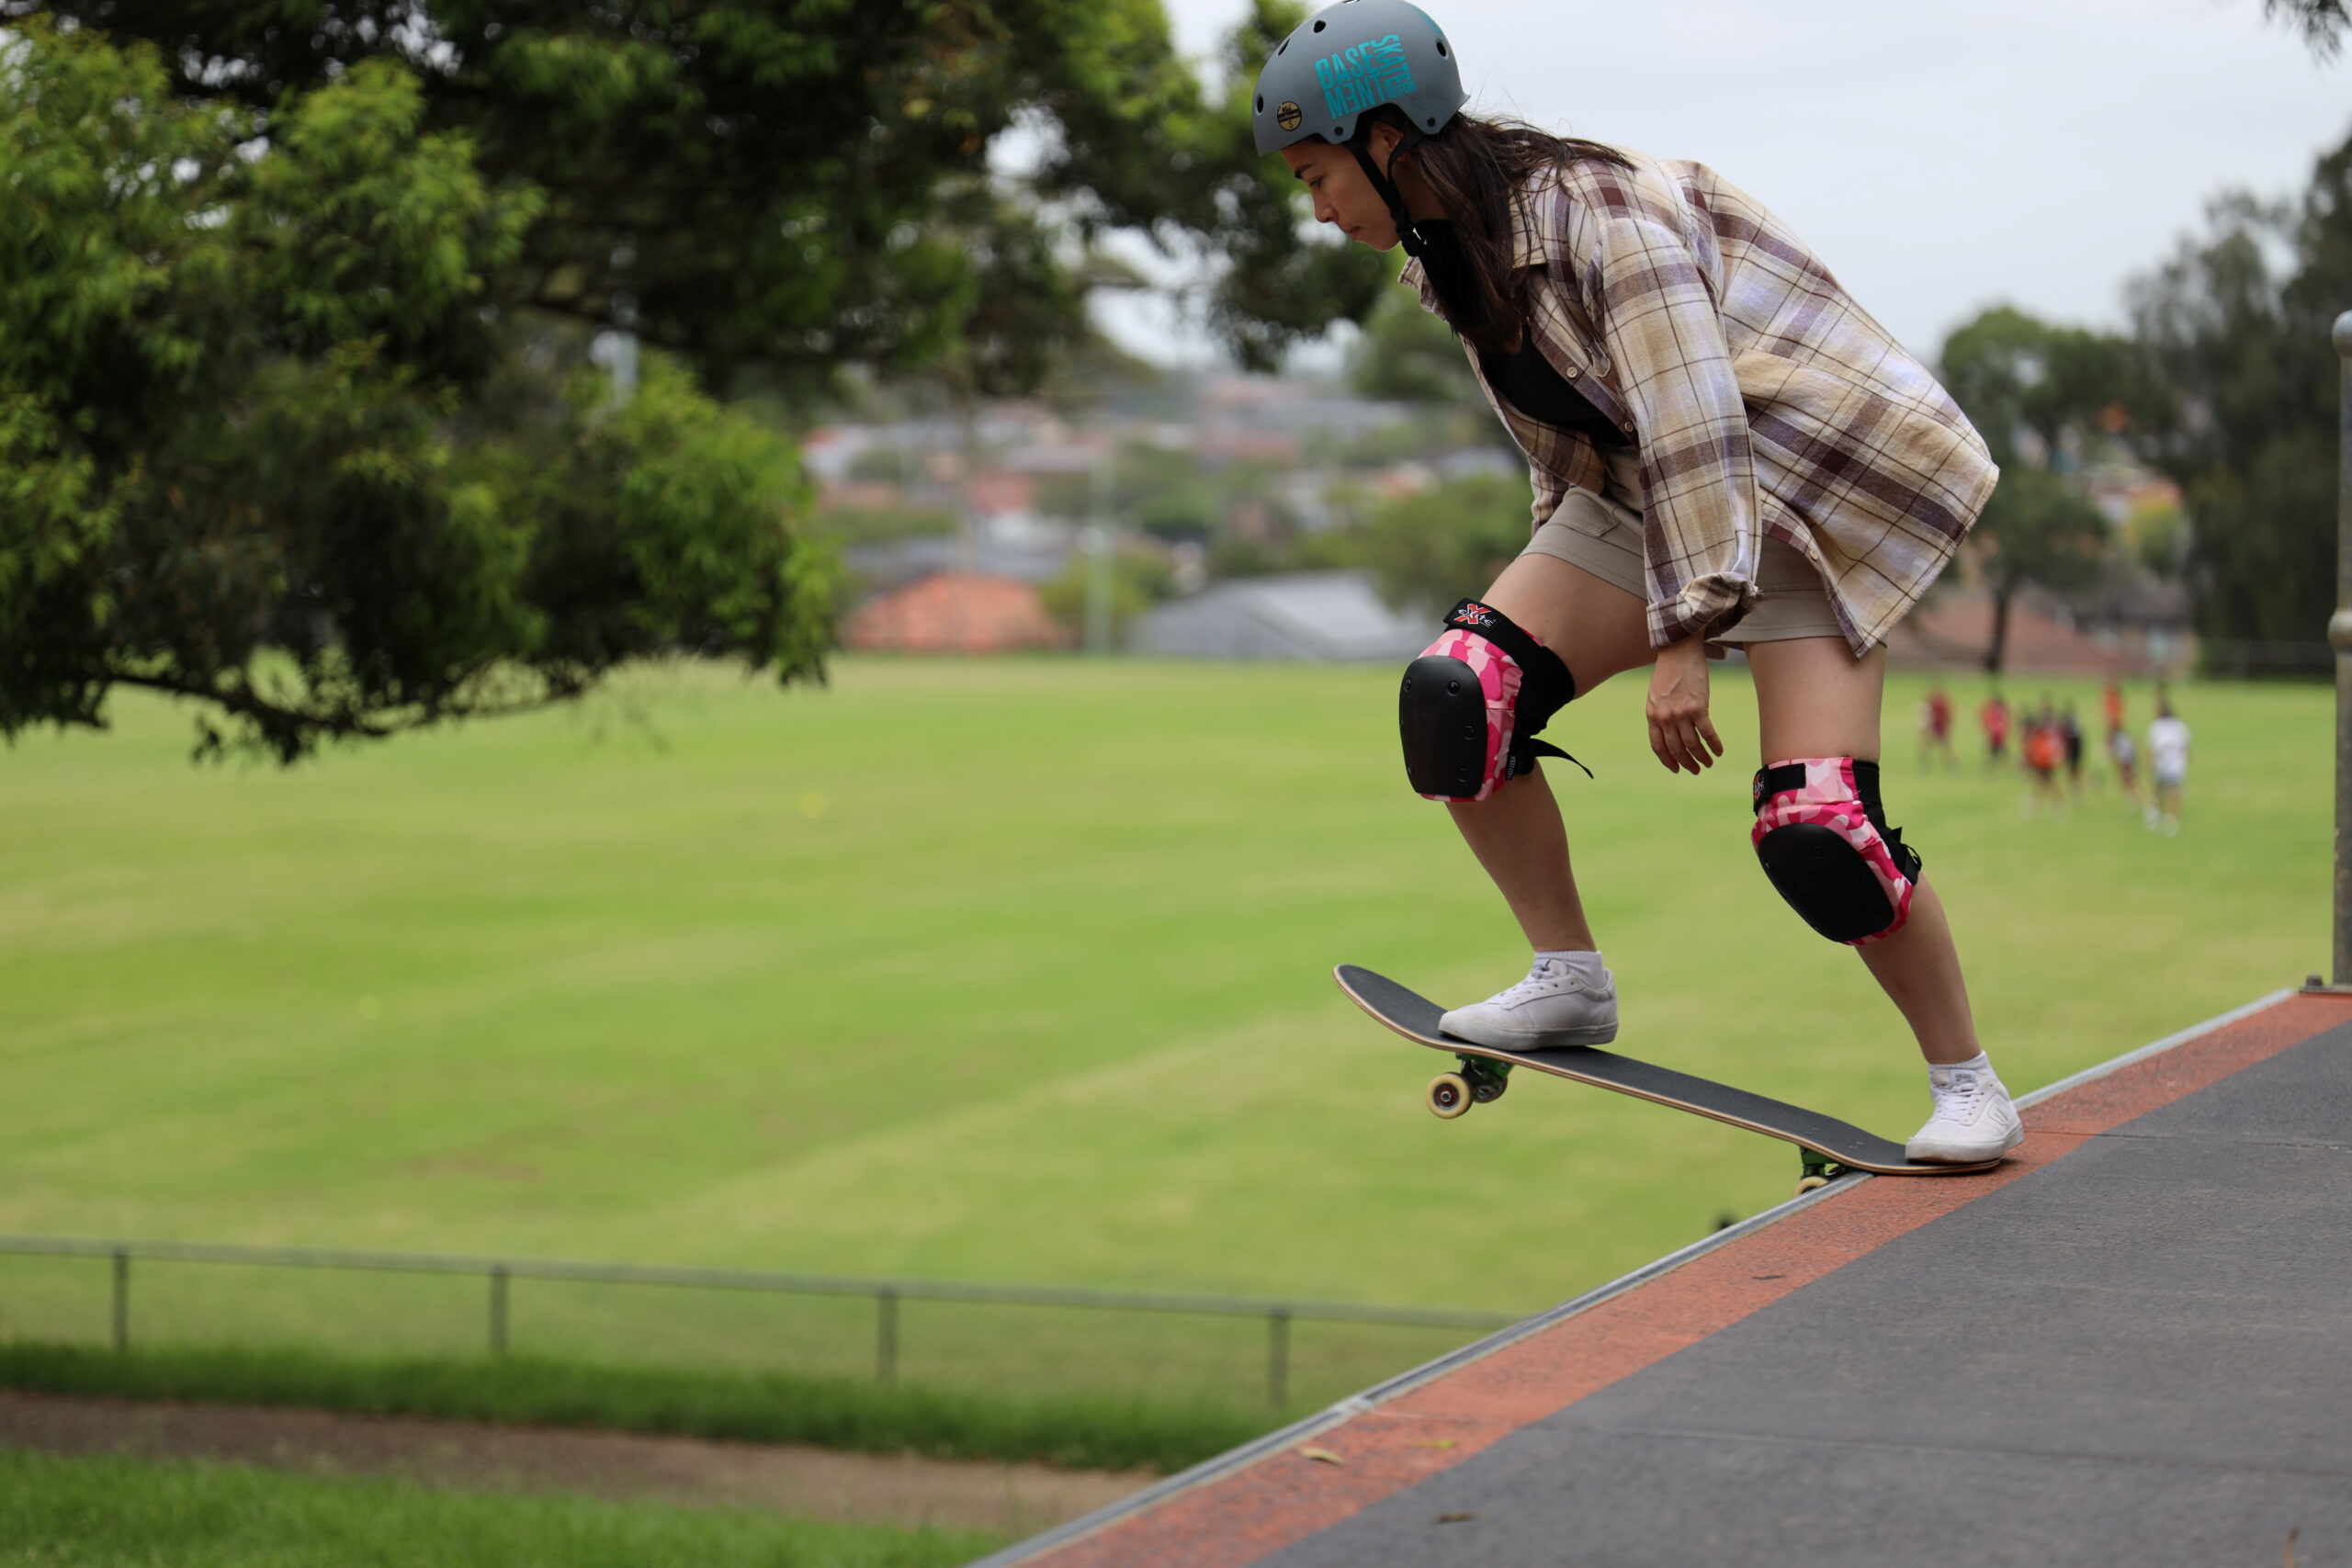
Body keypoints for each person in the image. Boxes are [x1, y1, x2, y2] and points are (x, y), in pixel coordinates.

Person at [1252, 1, 2020, 1164]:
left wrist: (1680, 642)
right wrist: (1541, 611)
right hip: (1647, 500)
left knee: (1819, 830)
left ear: (1387, 139)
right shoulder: (1452, 257)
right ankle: (1568, 978)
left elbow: (1694, 421)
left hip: (1804, 495)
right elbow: (1570, 454)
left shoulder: (1601, 210)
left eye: (1318, 175)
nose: (1315, 209)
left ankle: (1969, 1085)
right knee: (1461, 695)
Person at [2146, 694, 2190, 834]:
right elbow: (2187, 749)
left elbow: (2154, 749)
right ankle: (2172, 820)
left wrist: (2151, 764)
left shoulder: (2157, 727)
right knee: (2174, 791)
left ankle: (2156, 815)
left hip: (2163, 765)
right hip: (2177, 765)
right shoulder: (2180, 727)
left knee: (2159, 790)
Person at [1921, 683, 1955, 770]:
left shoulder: (1942, 704)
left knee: (1945, 748)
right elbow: (1929, 715)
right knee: (1929, 746)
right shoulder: (1933, 703)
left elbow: (1948, 717)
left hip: (1940, 728)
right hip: (1935, 728)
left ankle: (1950, 764)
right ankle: (1925, 764)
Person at [1981, 691, 2011, 773]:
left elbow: (1989, 722)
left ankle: (1990, 769)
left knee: (1994, 752)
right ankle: (1992, 767)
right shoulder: (2002, 711)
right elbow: (2006, 723)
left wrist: (1988, 731)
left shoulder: (1994, 711)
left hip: (1995, 735)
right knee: (1998, 752)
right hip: (1998, 735)